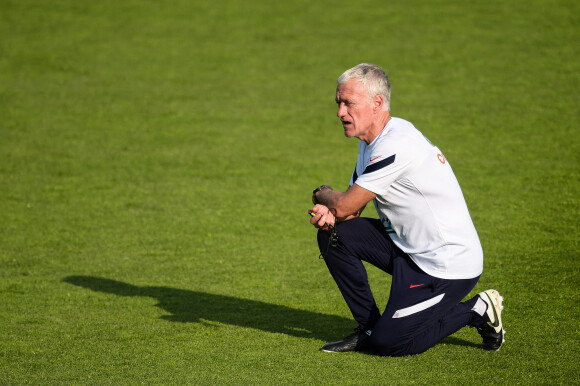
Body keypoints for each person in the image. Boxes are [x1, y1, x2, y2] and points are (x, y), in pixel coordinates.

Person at [309, 63, 504, 356]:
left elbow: (346, 203)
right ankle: (369, 328)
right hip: (409, 247)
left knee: (391, 344)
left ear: (377, 103)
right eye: (338, 103)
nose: (340, 112)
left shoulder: (396, 144)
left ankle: (477, 309)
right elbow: (350, 211)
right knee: (334, 234)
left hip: (446, 264)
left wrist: (321, 195)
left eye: (348, 103)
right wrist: (331, 215)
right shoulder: (370, 143)